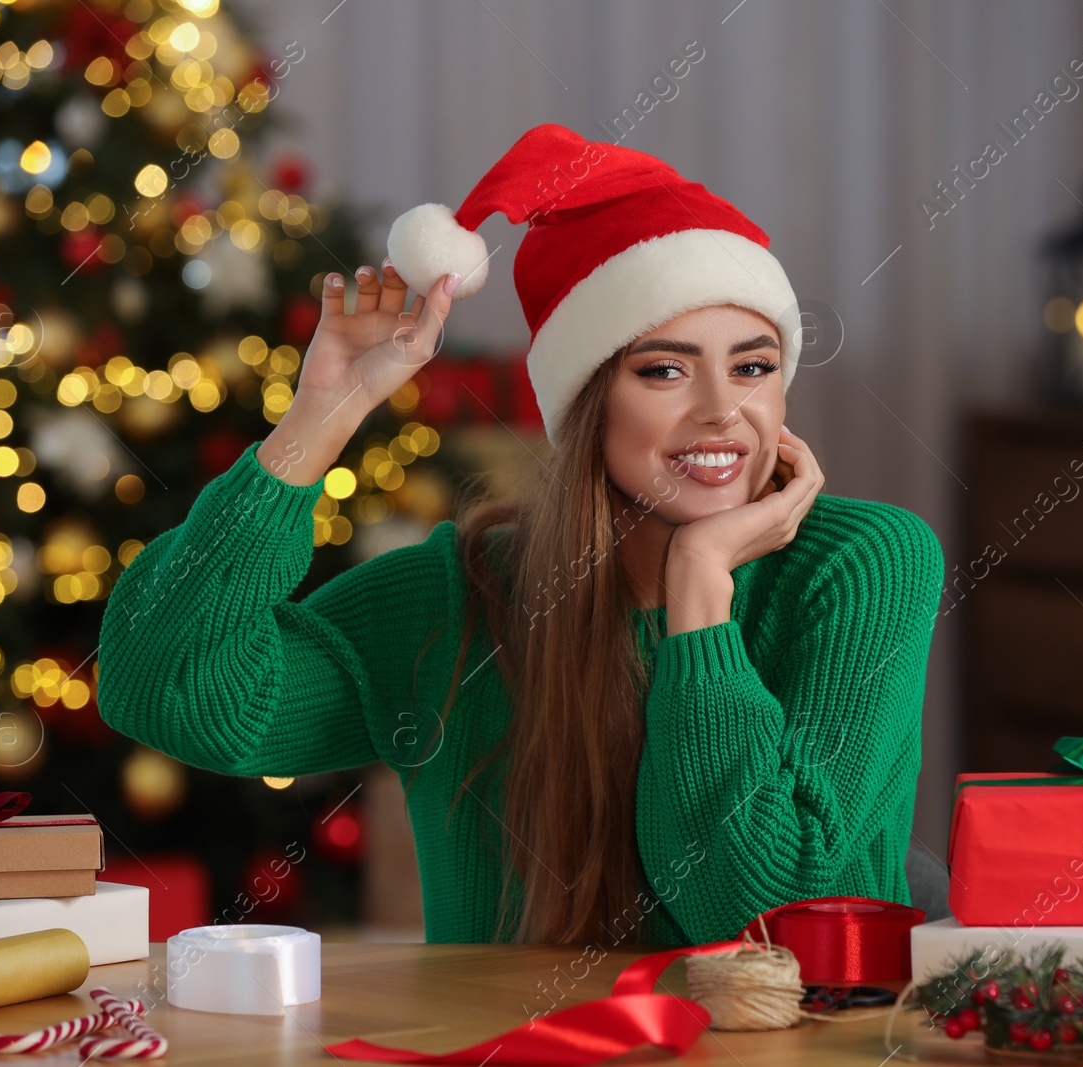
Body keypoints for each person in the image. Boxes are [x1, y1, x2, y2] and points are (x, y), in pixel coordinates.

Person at [97, 124, 945, 948]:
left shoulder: (863, 563)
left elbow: (769, 923)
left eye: (754, 366)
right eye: (665, 369)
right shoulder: (466, 593)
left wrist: (700, 602)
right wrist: (320, 420)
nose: (724, 408)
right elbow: (163, 684)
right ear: (588, 404)